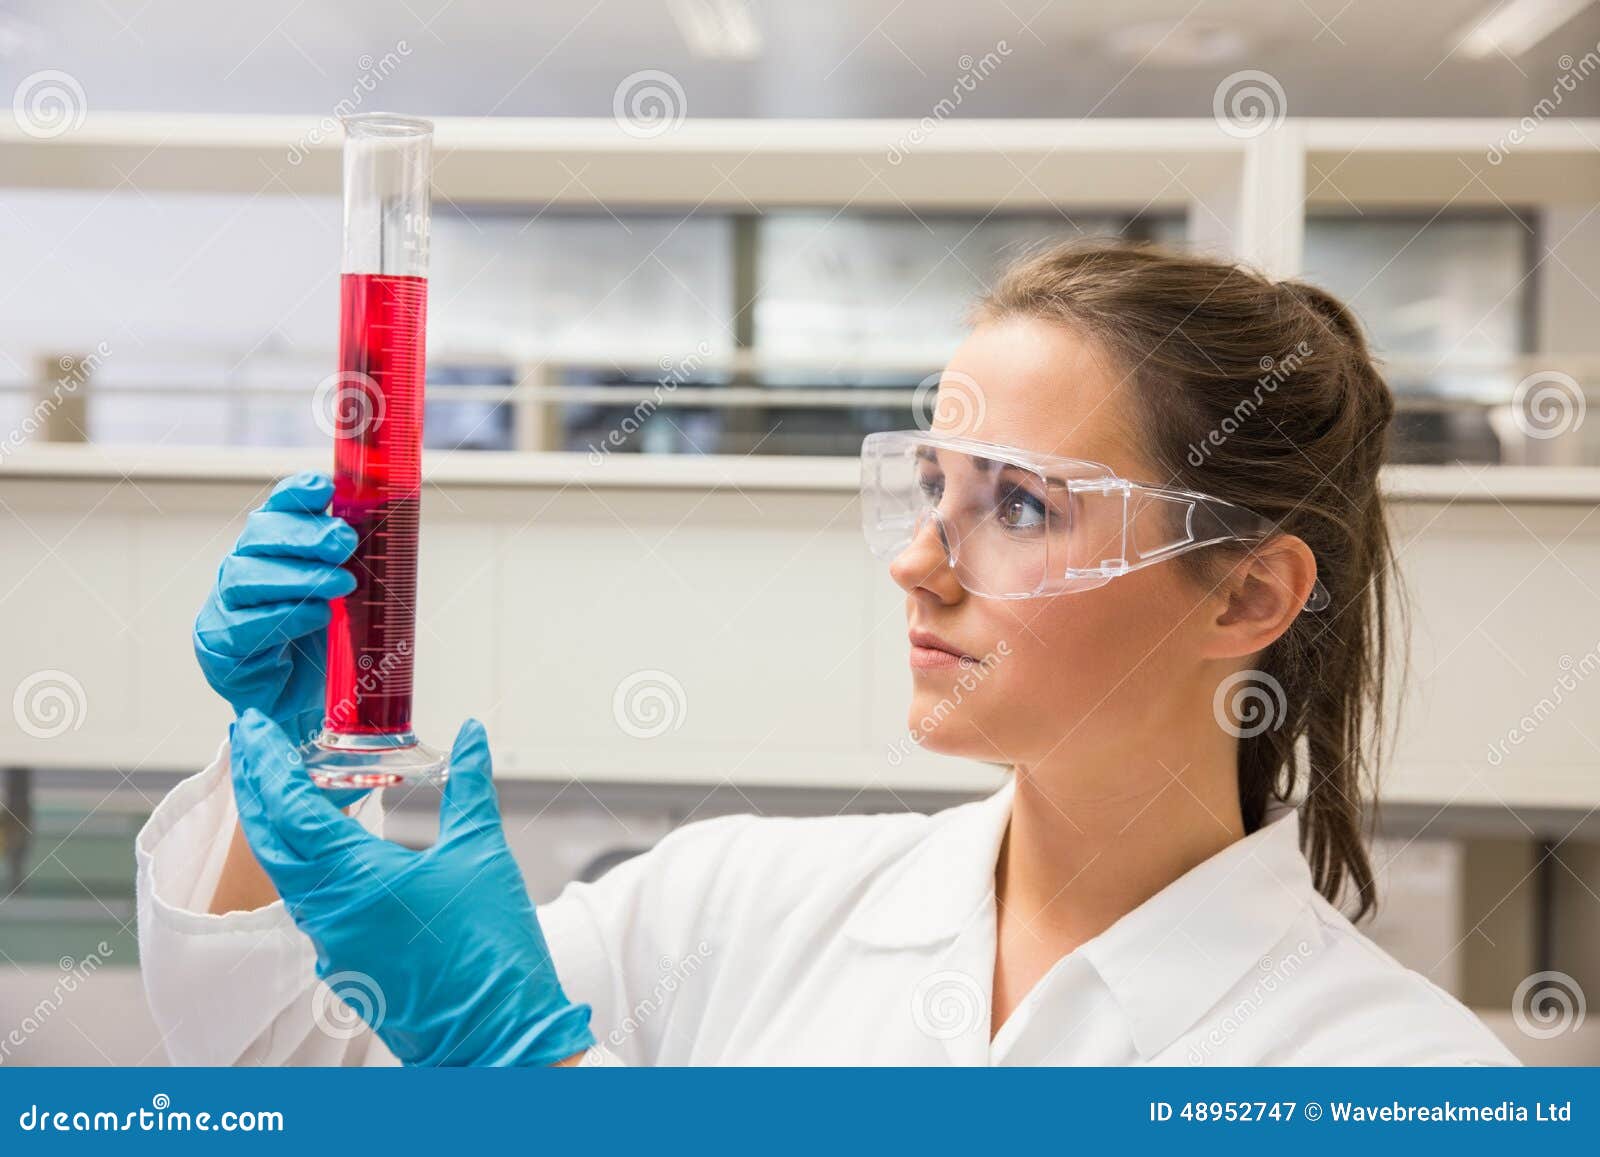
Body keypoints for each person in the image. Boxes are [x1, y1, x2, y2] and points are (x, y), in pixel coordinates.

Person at [136, 241, 1518, 1066]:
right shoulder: (736, 905)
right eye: (932, 487)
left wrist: (536, 1069)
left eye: (1021, 505)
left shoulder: (1385, 1068)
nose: (924, 560)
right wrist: (295, 769)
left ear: (1246, 598)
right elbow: (295, 1080)